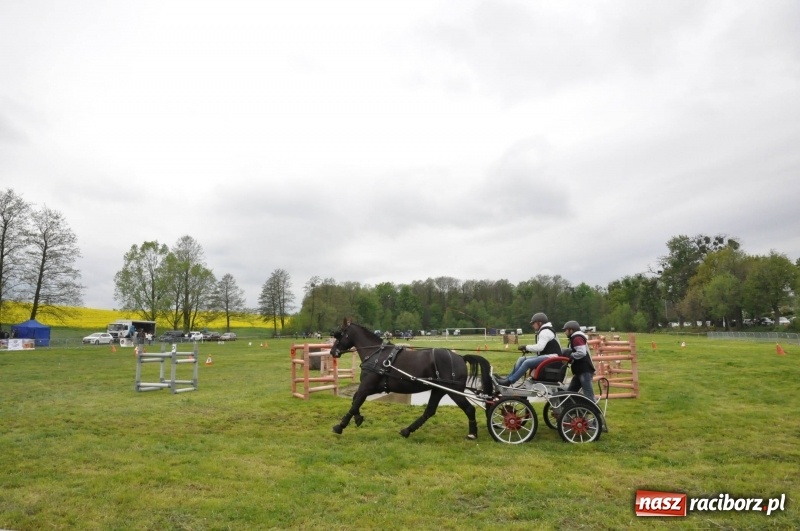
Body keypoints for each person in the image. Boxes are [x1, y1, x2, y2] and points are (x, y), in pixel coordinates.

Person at [494, 312, 562, 387]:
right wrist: (528, 349)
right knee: (521, 359)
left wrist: (526, 347)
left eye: (533, 323)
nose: (532, 325)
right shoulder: (544, 330)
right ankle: (507, 379)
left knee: (527, 363)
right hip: (549, 356)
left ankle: (510, 381)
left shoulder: (545, 332)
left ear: (540, 323)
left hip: (553, 358)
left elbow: (540, 347)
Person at [561, 320, 596, 401]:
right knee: (570, 393)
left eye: (565, 330)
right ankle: (573, 411)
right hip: (579, 371)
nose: (565, 332)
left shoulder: (577, 338)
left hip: (584, 370)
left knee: (589, 395)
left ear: (571, 330)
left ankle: (597, 413)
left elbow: (582, 352)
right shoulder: (575, 338)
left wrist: (570, 356)